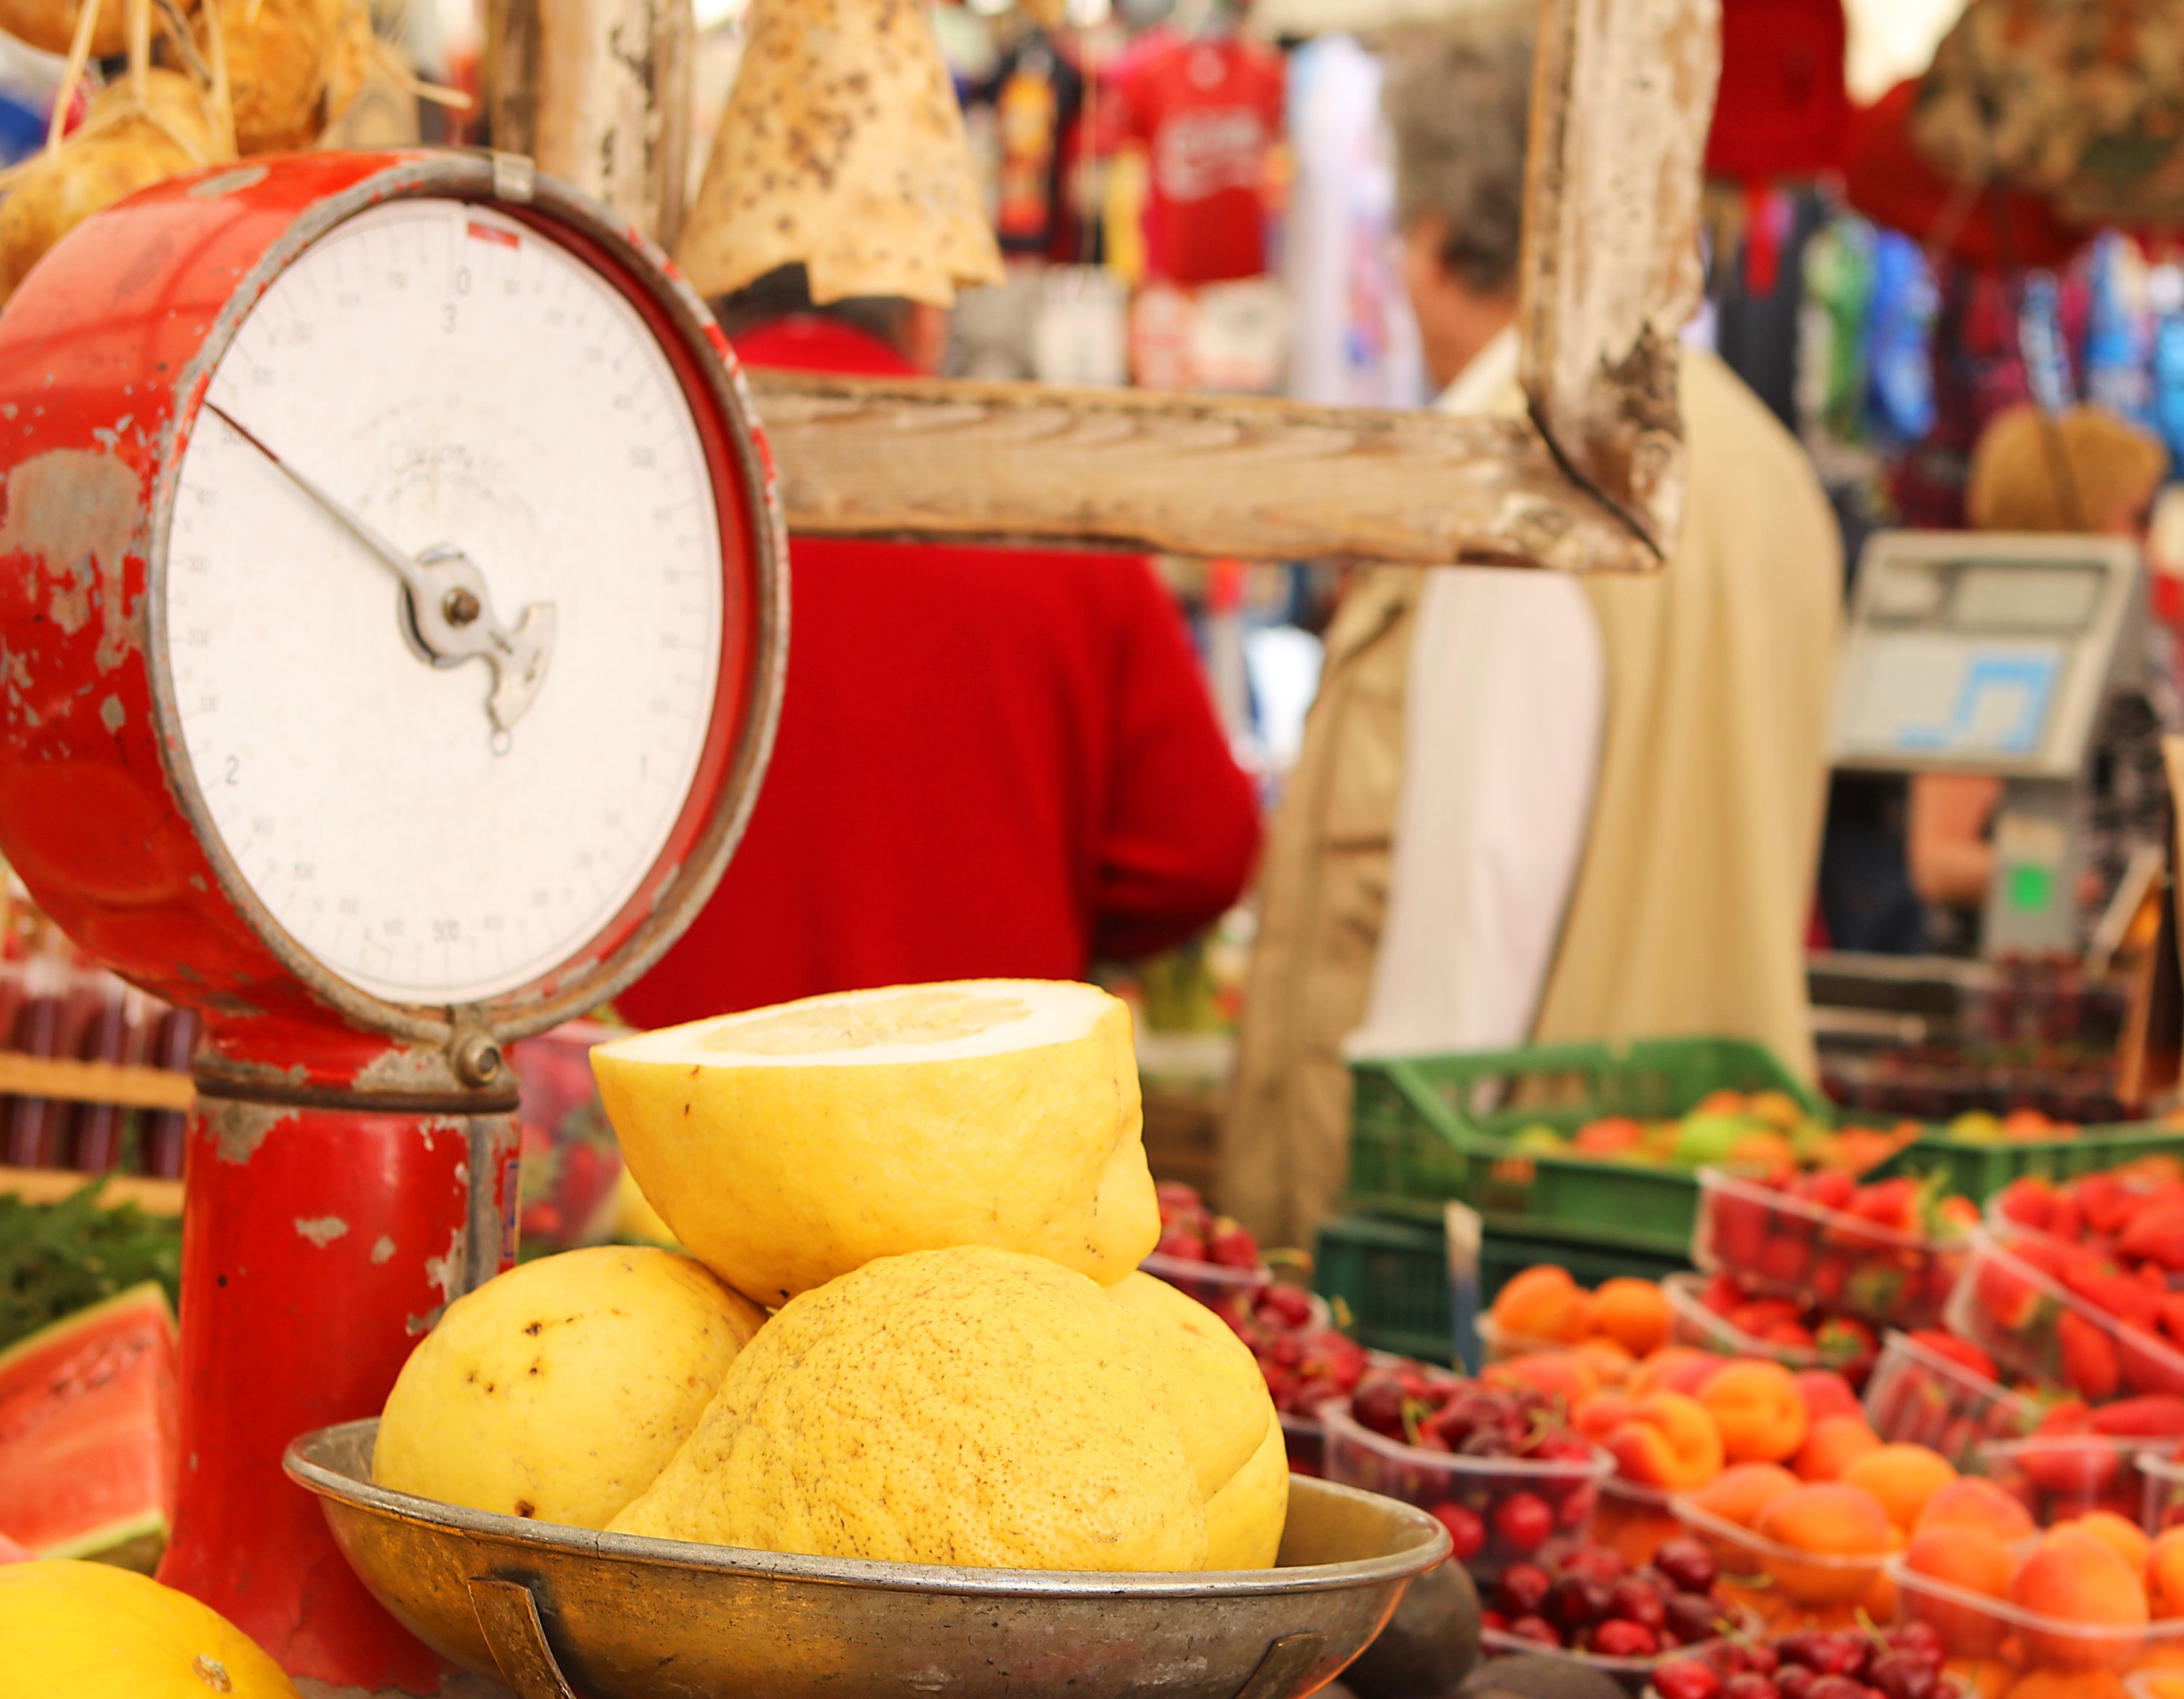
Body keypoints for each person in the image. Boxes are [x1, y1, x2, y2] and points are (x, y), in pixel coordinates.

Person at [1222, 10, 1843, 1239]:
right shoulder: (1764, 464)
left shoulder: (1526, 472)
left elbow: (1473, 920)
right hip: (1735, 1192)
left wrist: (1389, 1218)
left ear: (1431, 242)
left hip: (1537, 1226)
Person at [619, 273, 1264, 1026]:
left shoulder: (621, 481)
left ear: (720, 293)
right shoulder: (1043, 508)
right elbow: (1203, 850)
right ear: (926, 316)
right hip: (974, 1113)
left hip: (661, 1113)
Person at [1903, 402, 2174, 919]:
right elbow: (1938, 861)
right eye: (2138, 517)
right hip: (2032, 975)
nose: (2151, 540)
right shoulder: (1999, 655)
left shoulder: (2133, 646)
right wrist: (2061, 884)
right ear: (2076, 520)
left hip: (2121, 964)